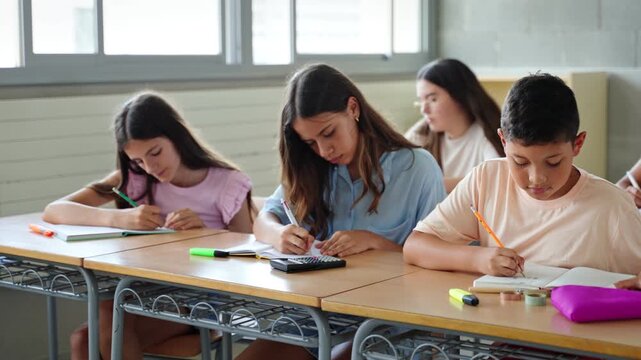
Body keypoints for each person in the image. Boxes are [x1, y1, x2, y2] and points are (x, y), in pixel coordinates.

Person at [239, 64, 445, 360]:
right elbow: (263, 219)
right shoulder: (315, 170)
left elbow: (439, 266)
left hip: (392, 320)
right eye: (311, 143)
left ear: (353, 108)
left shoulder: (417, 168)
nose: (324, 150)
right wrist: (279, 234)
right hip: (321, 318)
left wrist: (376, 243)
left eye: (329, 133)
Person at [43, 92, 254, 360]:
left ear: (177, 136)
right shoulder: (137, 179)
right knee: (84, 337)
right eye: (138, 161)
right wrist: (118, 218)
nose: (150, 166)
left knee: (105, 319)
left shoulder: (227, 183)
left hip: (198, 302)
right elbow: (54, 210)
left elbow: (248, 255)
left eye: (155, 152)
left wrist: (208, 234)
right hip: (142, 290)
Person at [404, 73, 641, 278]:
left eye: (553, 162)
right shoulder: (486, 179)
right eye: (520, 162)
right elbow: (416, 246)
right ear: (503, 141)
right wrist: (477, 259)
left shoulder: (612, 207)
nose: (536, 178)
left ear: (577, 145)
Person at [405, 58, 504, 193]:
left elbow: (495, 178)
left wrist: (434, 184)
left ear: (459, 96)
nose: (424, 110)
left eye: (432, 99)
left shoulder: (486, 135)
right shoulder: (421, 133)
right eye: (421, 101)